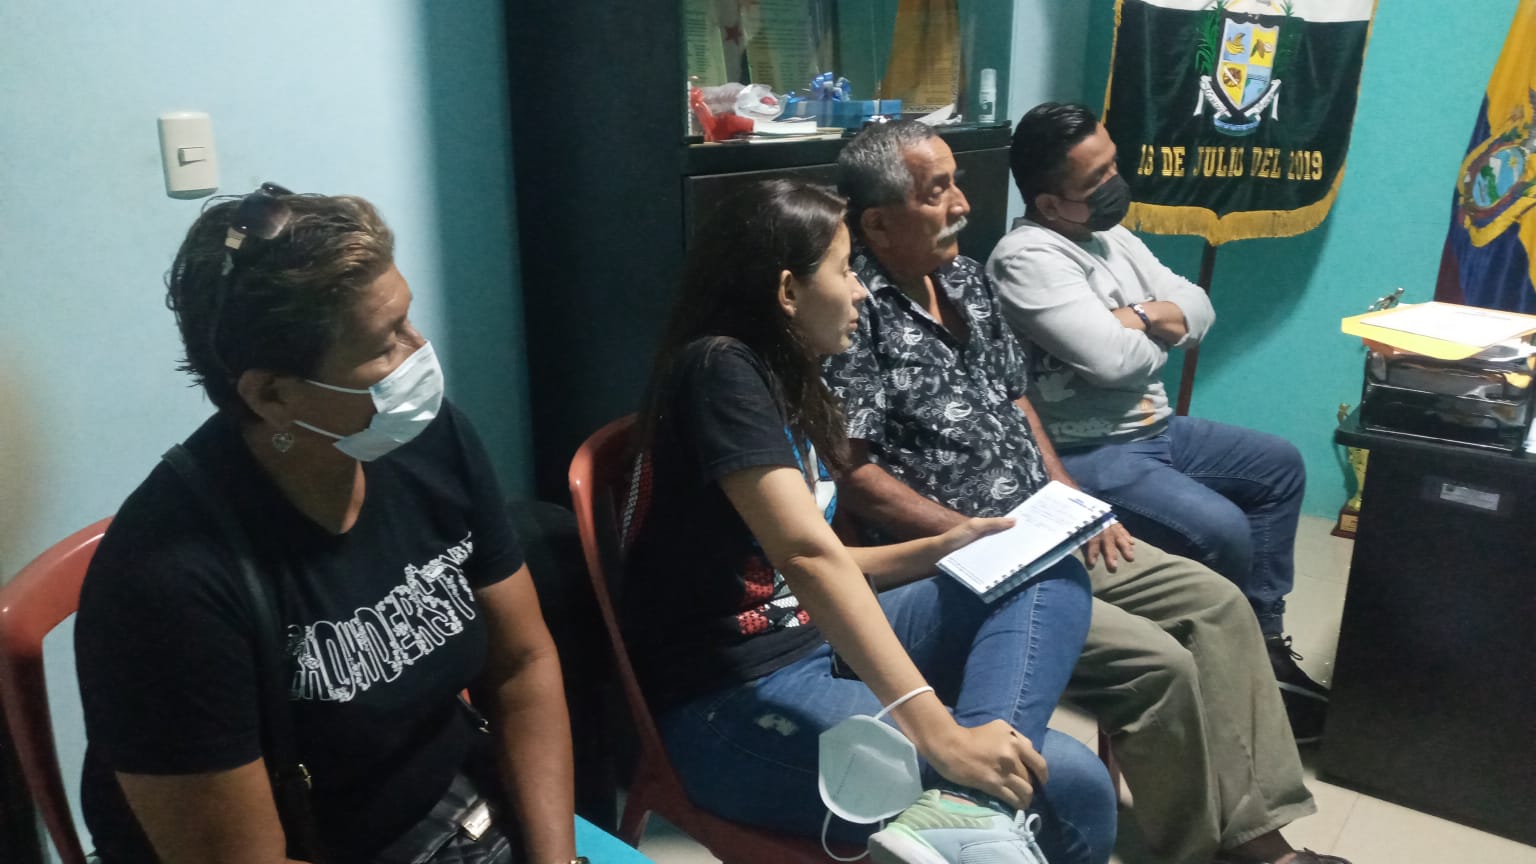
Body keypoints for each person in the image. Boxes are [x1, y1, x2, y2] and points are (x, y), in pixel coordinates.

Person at [823, 120, 1349, 864]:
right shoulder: (853, 311)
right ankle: (1211, 851)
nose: (962, 204)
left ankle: (1260, 830)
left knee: (1219, 605)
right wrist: (961, 533)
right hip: (960, 559)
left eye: (955, 183)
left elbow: (1016, 401)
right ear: (878, 223)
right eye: (936, 191)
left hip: (1043, 524)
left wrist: (1070, 499)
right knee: (1158, 664)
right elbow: (855, 475)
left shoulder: (965, 280)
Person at [74, 185, 605, 864]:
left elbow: (522, 664)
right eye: (385, 345)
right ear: (271, 394)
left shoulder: (429, 444)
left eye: (408, 320)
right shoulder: (165, 589)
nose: (419, 353)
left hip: (458, 812)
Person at [621, 178, 1117, 864]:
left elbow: (797, 564)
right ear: (787, 291)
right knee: (1074, 784)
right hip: (726, 703)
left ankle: (965, 810)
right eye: (843, 270)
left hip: (813, 646)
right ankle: (966, 805)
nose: (860, 291)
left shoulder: (780, 374)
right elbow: (808, 557)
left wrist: (941, 547)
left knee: (1045, 571)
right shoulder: (720, 369)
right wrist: (938, 734)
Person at [990, 102, 1329, 734]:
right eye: (1096, 179)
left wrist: (1136, 318)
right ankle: (1225, 673)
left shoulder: (1109, 236)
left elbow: (1198, 308)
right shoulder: (1026, 259)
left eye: (1112, 165)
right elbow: (1112, 361)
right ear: (1050, 202)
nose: (1114, 184)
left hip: (1155, 427)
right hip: (1088, 449)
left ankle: (1263, 644)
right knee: (1222, 530)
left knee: (1278, 466)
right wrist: (1157, 324)